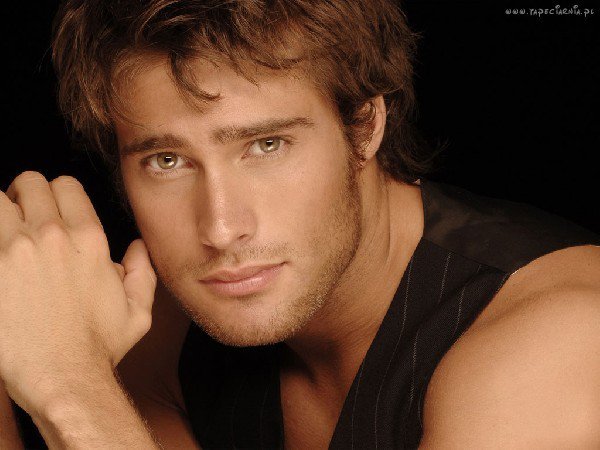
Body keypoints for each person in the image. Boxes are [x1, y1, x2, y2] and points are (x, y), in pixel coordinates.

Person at [1, 0, 600, 448]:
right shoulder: (154, 328)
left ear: (364, 127)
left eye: (266, 145)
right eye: (167, 161)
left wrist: (70, 390)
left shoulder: (562, 338)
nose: (221, 229)